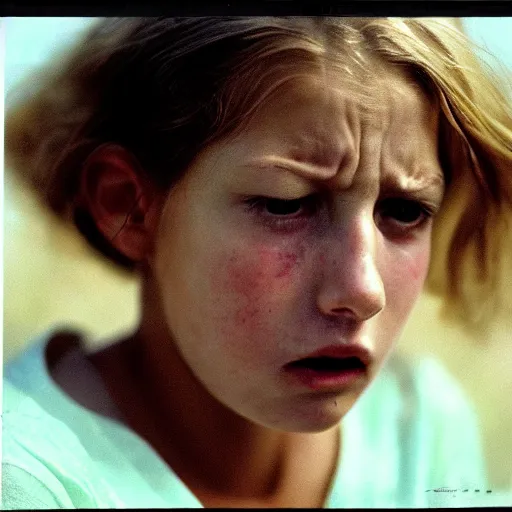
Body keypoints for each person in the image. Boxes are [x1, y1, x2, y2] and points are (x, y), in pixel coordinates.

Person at [3, 16, 512, 509]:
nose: (362, 289)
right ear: (129, 207)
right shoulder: (28, 480)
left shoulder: (419, 434)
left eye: (405, 211)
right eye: (285, 204)